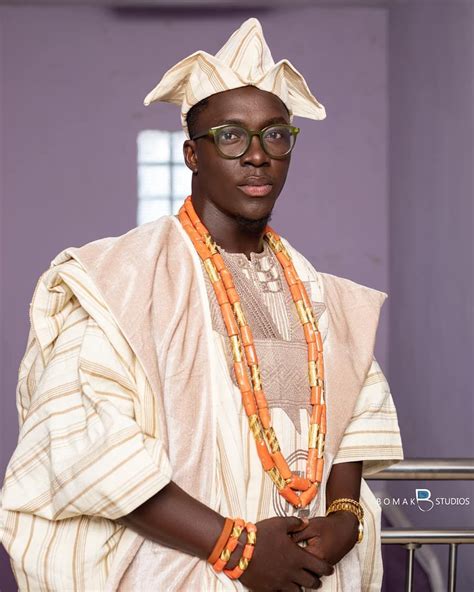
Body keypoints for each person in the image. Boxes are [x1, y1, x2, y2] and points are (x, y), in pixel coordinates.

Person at [0, 17, 403, 592]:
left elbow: (353, 407)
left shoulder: (317, 292)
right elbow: (86, 447)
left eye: (275, 135)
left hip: (309, 575)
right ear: (192, 154)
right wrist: (238, 550)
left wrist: (343, 519)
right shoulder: (122, 280)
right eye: (231, 136)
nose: (257, 155)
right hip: (180, 570)